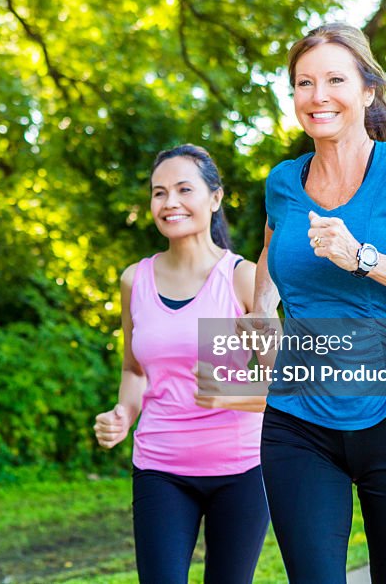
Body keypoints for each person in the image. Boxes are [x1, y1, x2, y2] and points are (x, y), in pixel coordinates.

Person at [247, 23, 386, 583]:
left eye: (334, 79)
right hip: (298, 422)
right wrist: (260, 326)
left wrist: (363, 258)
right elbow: (270, 267)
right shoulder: (282, 182)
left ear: (368, 91)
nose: (318, 95)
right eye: (304, 82)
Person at [93, 144, 272, 584]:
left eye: (183, 189)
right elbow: (134, 371)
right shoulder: (135, 279)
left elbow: (288, 383)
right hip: (161, 468)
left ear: (214, 198)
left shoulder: (241, 277)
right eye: (159, 192)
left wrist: (231, 389)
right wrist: (123, 413)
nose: (169, 202)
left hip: (242, 471)